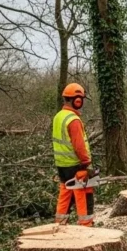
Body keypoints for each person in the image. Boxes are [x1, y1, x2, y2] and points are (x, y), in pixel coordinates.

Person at [52, 83, 95, 227]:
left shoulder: (59, 116)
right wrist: (86, 163)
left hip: (62, 164)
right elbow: (79, 145)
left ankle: (59, 223)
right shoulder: (73, 120)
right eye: (80, 99)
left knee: (65, 192)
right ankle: (86, 224)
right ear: (77, 100)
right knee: (83, 191)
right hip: (75, 163)